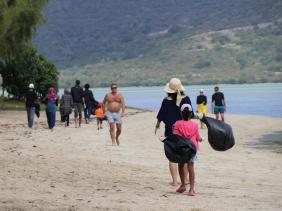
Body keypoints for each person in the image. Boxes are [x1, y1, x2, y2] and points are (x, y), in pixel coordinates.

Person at [155, 78, 193, 186]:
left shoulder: (166, 100)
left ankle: (175, 181)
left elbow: (161, 114)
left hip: (170, 131)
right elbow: (191, 114)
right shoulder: (186, 99)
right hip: (184, 131)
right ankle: (185, 180)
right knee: (184, 156)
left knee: (172, 156)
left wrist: (157, 125)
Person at [173, 104, 203, 196]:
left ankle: (182, 185)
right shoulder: (195, 124)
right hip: (192, 149)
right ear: (191, 114)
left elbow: (175, 137)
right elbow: (198, 137)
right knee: (191, 168)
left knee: (181, 166)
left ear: (181, 114)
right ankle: (191, 189)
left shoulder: (177, 123)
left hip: (181, 148)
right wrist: (201, 139)